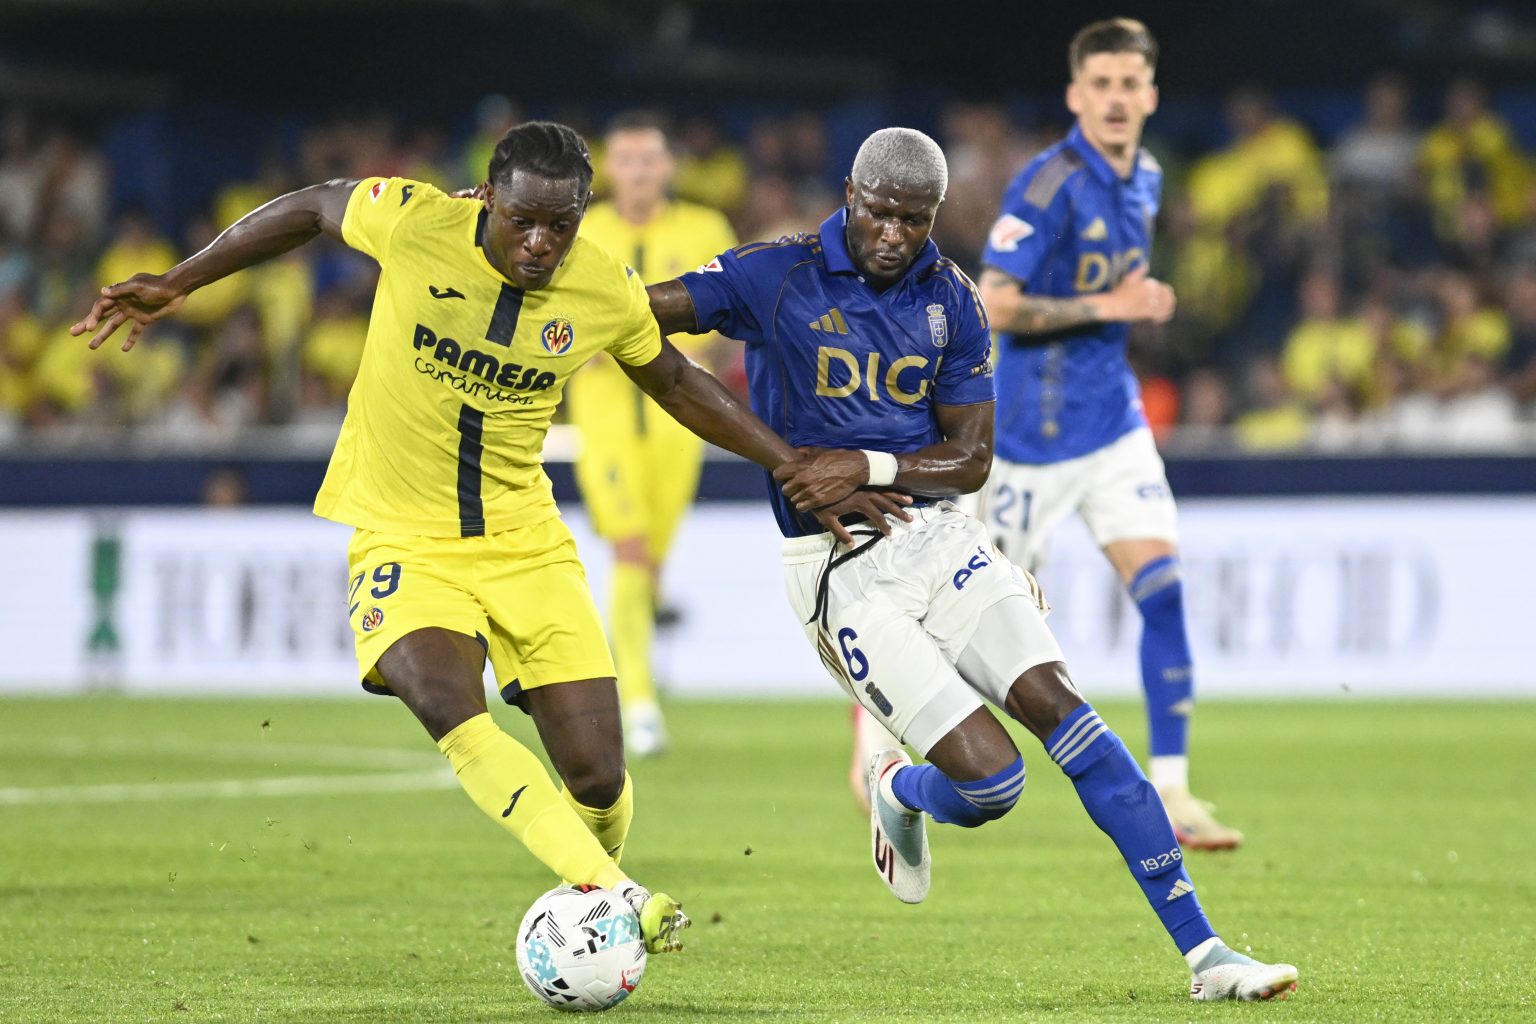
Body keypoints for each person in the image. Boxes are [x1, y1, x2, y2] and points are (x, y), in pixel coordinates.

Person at [70, 120, 892, 957]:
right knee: (445, 700)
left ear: (583, 214)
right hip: (403, 538)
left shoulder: (601, 287)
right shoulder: (417, 222)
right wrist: (181, 280)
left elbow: (677, 381)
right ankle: (618, 895)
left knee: (598, 777)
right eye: (522, 221)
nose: (540, 243)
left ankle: (591, 893)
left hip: (525, 542)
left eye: (560, 226)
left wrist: (794, 465)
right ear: (488, 198)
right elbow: (313, 206)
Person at [647, 126, 1298, 1001]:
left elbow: (972, 459)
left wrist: (867, 466)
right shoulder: (776, 274)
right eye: (880, 213)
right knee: (994, 784)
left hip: (942, 538)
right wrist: (782, 458)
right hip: (840, 568)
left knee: (1074, 721)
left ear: (936, 214)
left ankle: (1208, 955)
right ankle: (904, 792)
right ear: (850, 194)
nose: (894, 235)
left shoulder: (952, 300)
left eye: (914, 219)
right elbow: (640, 316)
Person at [974, 19, 1241, 849]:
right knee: (974, 633)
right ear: (1076, 95)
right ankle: (876, 745)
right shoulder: (1047, 183)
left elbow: (1115, 289)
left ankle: (1175, 791)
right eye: (1102, 85)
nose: (1117, 99)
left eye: (1131, 84)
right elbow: (993, 302)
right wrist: (1110, 306)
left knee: (1163, 591)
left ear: (1151, 95)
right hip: (1028, 442)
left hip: (1114, 425)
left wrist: (1136, 302)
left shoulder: (1147, 178)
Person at [567, 112, 738, 757]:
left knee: (652, 563)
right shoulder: (582, 232)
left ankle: (641, 640)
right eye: (627, 160)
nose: (638, 171)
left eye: (649, 159)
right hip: (606, 418)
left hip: (680, 418)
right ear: (608, 169)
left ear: (668, 167)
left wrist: (702, 345)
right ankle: (637, 703)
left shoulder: (705, 229)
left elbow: (732, 314)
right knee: (631, 550)